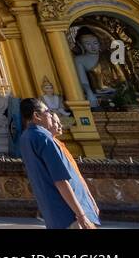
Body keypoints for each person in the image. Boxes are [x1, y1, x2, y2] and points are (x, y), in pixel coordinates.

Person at [17, 97, 100, 229]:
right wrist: (81, 215)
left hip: (54, 213)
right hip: (69, 213)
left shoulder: (25, 137)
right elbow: (61, 181)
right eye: (48, 112)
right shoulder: (44, 138)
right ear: (36, 115)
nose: (50, 115)